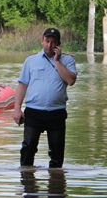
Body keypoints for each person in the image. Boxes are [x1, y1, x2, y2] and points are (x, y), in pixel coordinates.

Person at [14, 28, 77, 168]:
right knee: (28, 148)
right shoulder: (31, 60)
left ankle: (55, 185)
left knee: (57, 152)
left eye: (53, 42)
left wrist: (57, 62)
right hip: (34, 111)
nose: (49, 45)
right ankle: (27, 182)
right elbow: (22, 85)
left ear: (58, 44)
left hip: (57, 112)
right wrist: (17, 109)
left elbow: (71, 81)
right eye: (47, 41)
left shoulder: (68, 60)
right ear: (42, 41)